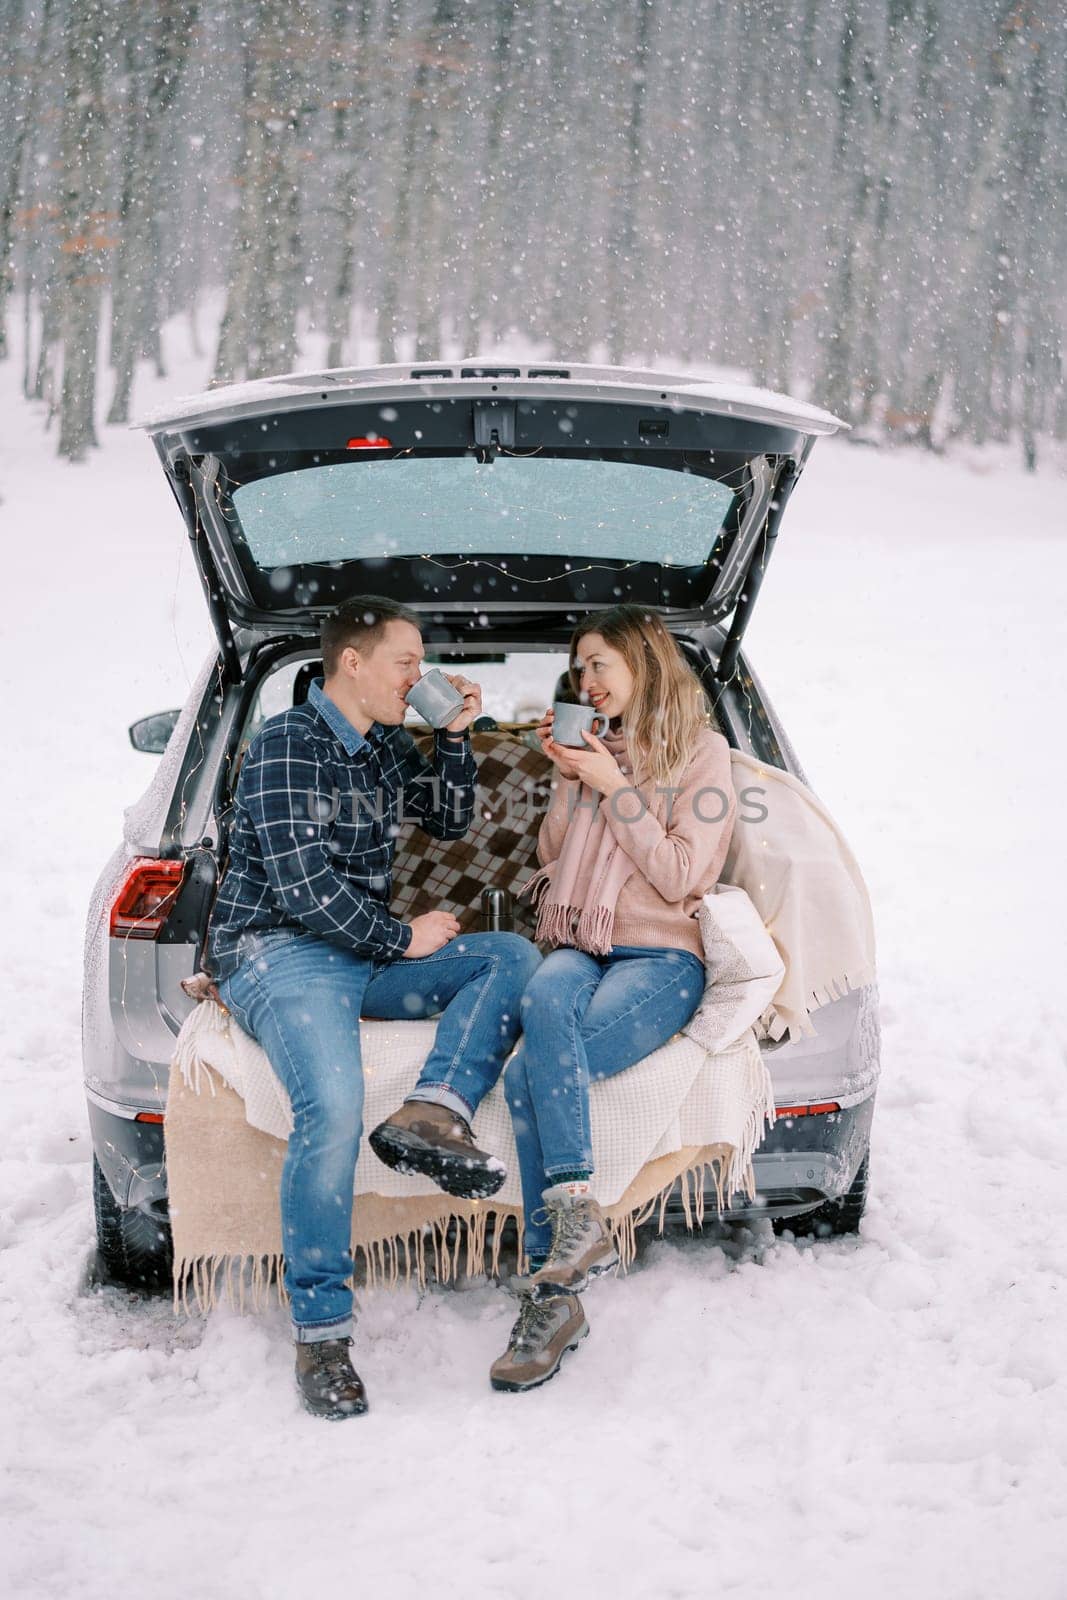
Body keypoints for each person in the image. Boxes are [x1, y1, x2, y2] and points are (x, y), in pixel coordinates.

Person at [206, 595, 541, 1419]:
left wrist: (454, 737)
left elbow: (450, 817)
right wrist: (402, 939)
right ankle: (321, 1335)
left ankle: (431, 1112)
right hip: (278, 952)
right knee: (333, 1107)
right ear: (351, 662)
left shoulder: (383, 744)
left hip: (357, 952)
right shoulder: (286, 744)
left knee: (509, 957)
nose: (417, 677)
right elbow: (301, 887)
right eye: (406, 663)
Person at [490, 604, 737, 1393]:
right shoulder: (594, 751)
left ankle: (550, 1293)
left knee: (534, 1075)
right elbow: (553, 860)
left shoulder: (702, 757)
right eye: (580, 669)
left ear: (644, 665)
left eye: (601, 664)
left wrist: (615, 786)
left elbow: (677, 875)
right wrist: (572, 782)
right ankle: (576, 1232)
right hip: (576, 943)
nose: (587, 681)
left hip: (659, 954)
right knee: (544, 1005)